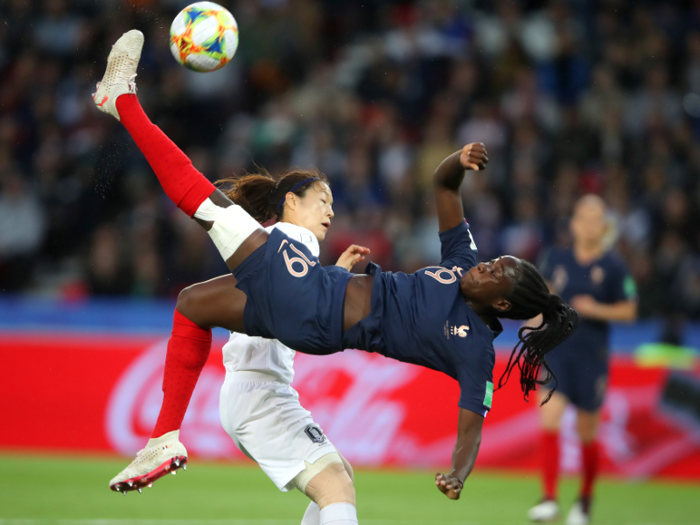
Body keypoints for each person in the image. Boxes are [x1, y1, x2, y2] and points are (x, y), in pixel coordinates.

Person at [94, 31, 578, 518]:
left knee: (206, 203)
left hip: (316, 308)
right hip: (313, 302)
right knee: (193, 305)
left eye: (498, 273)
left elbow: (472, 424)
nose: (488, 265)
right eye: (497, 261)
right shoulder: (462, 262)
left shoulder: (473, 346)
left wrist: (458, 472)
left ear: (500, 305)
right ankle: (162, 438)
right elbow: (443, 185)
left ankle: (124, 100)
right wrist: (460, 160)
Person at [527, 195, 637, 525]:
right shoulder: (555, 258)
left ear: (604, 227)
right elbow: (541, 298)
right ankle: (548, 498)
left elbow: (629, 310)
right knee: (550, 416)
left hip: (591, 357)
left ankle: (585, 500)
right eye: (583, 218)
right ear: (573, 224)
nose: (589, 225)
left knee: (587, 431)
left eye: (596, 219)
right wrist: (533, 321)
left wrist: (594, 308)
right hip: (556, 351)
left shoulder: (615, 267)